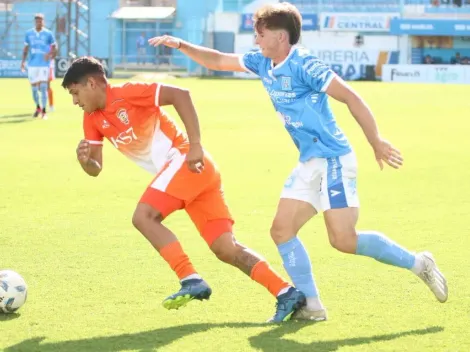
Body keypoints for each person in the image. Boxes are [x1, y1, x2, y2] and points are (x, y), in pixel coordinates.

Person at [148, 2, 448, 321]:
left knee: (343, 239)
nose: (256, 40)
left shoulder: (304, 63)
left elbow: (350, 96)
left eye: (260, 34)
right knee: (281, 230)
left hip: (333, 158)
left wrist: (376, 140)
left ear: (280, 36)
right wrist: (181, 44)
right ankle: (313, 307)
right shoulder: (263, 63)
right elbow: (220, 60)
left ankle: (419, 263)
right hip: (309, 162)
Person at [61, 56, 306, 323]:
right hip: (190, 176)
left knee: (143, 217)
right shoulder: (92, 119)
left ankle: (190, 278)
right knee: (225, 248)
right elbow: (96, 168)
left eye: (75, 92)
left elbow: (181, 94)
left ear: (93, 83)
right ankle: (286, 293)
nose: (74, 101)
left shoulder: (128, 93)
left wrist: (196, 145)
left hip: (186, 161)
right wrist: (85, 161)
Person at [21, 13, 56, 120]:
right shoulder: (28, 33)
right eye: (37, 21)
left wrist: (50, 55)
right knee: (34, 90)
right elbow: (26, 48)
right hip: (32, 65)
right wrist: (22, 61)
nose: (39, 22)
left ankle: (44, 111)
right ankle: (38, 107)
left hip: (44, 65)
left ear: (43, 21)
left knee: (44, 87)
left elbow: (55, 47)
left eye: (40, 20)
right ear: (34, 22)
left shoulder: (48, 34)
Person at [48, 44, 56, 112]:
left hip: (48, 66)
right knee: (39, 87)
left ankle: (51, 105)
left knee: (47, 86)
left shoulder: (50, 41)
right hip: (40, 66)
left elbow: (55, 48)